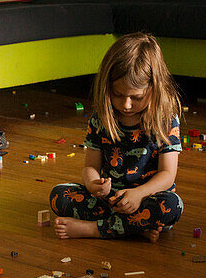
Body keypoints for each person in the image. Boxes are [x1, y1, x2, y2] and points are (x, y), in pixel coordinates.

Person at [49, 32, 183, 241]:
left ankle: (93, 230)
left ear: (154, 89)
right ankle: (134, 227)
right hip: (109, 201)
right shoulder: (101, 118)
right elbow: (90, 167)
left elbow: (167, 175)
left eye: (136, 97)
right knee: (59, 196)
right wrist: (93, 183)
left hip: (147, 198)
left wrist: (138, 194)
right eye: (118, 95)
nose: (126, 105)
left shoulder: (165, 119)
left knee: (172, 206)